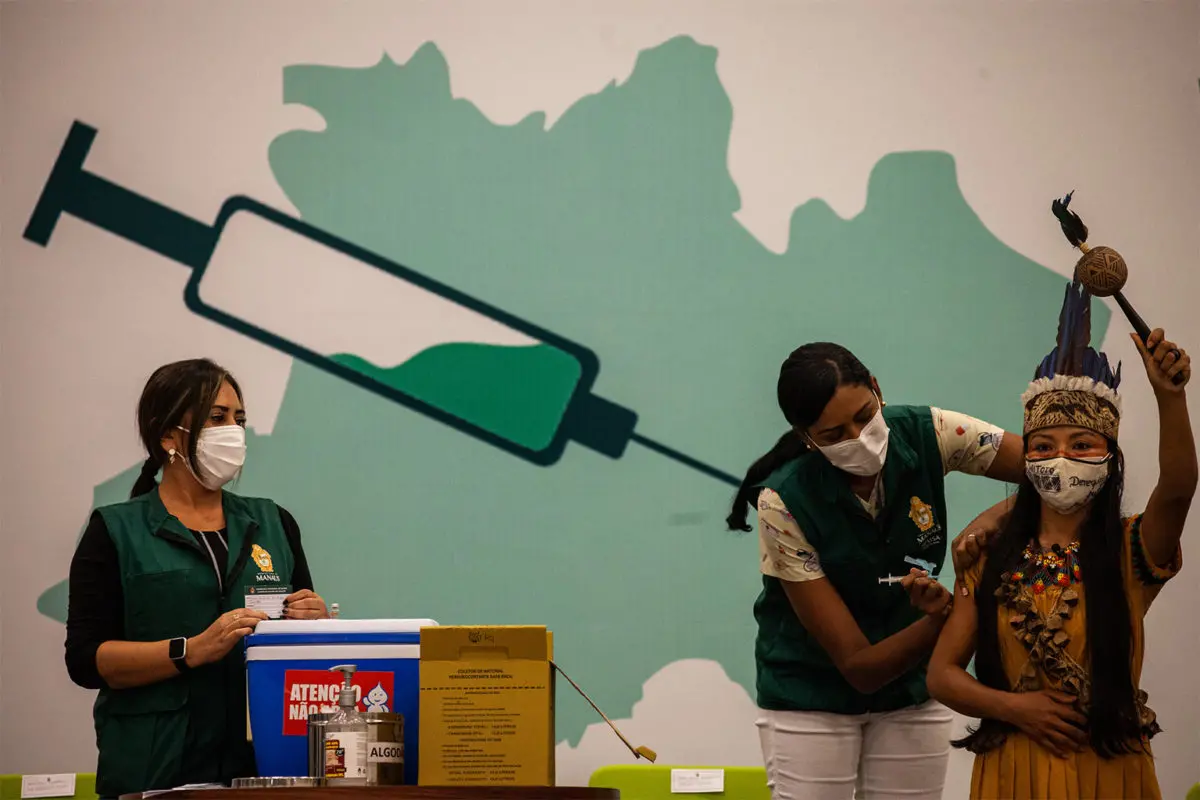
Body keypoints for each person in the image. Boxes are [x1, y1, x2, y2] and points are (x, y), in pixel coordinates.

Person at [927, 278, 1193, 799]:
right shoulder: (987, 558)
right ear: (1026, 463)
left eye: (1081, 443)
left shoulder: (1132, 550)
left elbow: (1179, 486)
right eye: (1043, 445)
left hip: (1110, 769)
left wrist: (1171, 397)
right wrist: (1013, 708)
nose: (1061, 457)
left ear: (1109, 457)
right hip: (1011, 770)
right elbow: (941, 674)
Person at [726, 341, 1027, 800]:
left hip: (911, 694)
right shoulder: (782, 502)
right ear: (806, 437)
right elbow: (858, 668)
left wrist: (992, 519)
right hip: (811, 696)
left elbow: (1052, 468)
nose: (858, 436)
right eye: (833, 435)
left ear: (877, 390)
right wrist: (942, 619)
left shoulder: (931, 431)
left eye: (865, 415)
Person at [65, 359, 330, 798]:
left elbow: (297, 651)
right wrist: (189, 651)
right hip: (156, 769)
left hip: (263, 767)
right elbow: (86, 660)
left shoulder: (274, 523)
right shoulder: (115, 531)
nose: (234, 431)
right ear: (168, 434)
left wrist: (316, 622)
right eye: (217, 417)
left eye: (239, 419)